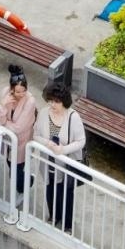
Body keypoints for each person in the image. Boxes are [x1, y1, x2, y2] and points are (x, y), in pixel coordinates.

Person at [35, 84, 86, 232]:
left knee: (66, 194)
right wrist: (48, 143)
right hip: (49, 160)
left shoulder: (73, 117)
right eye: (50, 100)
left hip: (66, 163)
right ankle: (53, 216)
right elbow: (36, 135)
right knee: (50, 188)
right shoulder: (44, 113)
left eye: (56, 101)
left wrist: (63, 150)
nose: (52, 104)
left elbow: (81, 141)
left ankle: (67, 224)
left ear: (64, 102)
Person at [0, 70, 38, 196]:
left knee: (16, 171)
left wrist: (4, 122)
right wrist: (3, 105)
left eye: (23, 90)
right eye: (18, 91)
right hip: (8, 140)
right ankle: (26, 180)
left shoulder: (30, 101)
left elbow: (19, 127)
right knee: (10, 164)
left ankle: (27, 183)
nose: (21, 94)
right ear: (12, 89)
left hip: (22, 142)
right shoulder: (5, 93)